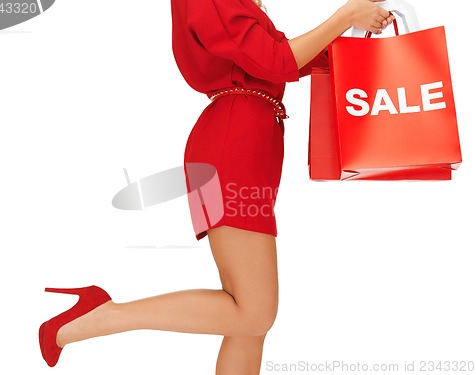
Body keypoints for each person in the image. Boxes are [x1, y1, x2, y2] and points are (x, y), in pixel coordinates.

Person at [39, 0, 394, 373]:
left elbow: (282, 61)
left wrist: (355, 33)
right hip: (233, 145)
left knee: (248, 322)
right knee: (254, 312)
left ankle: (101, 313)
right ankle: (102, 315)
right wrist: (343, 17)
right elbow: (275, 60)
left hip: (246, 143)